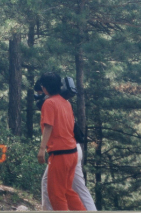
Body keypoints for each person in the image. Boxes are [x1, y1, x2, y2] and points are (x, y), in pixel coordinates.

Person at [37, 72, 86, 211]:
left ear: (45, 88)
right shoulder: (66, 102)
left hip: (60, 154)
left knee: (56, 194)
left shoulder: (49, 103)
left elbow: (48, 126)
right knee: (67, 191)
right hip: (72, 153)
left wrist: (41, 149)